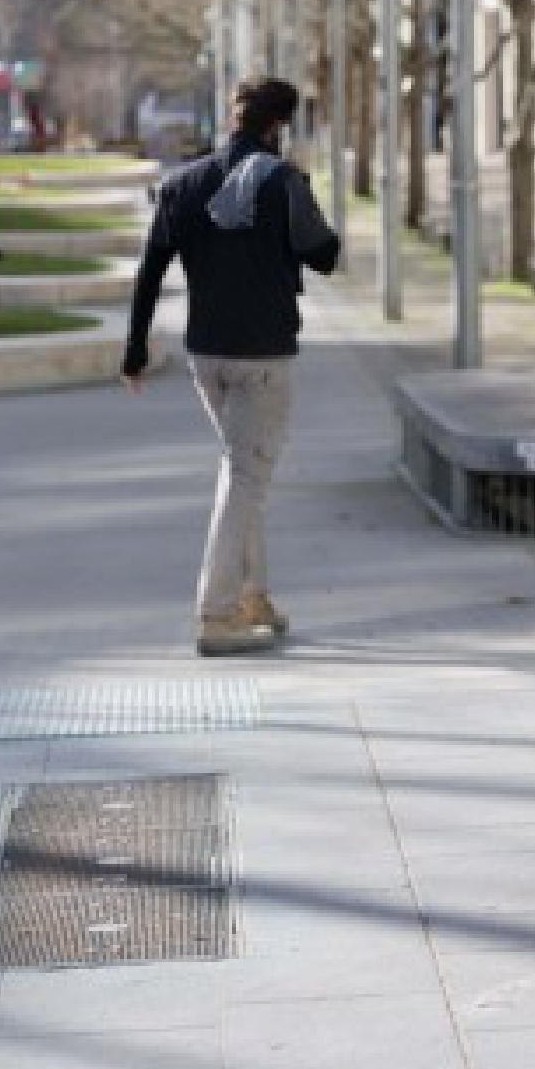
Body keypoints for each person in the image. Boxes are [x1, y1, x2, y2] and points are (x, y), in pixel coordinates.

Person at [121, 76, 341, 657]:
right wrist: (307, 193)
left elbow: (149, 272)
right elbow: (325, 256)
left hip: (207, 355)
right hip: (264, 355)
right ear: (277, 126)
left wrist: (135, 352)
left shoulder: (182, 184)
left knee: (244, 474)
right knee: (245, 478)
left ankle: (255, 598)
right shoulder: (283, 182)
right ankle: (217, 614)